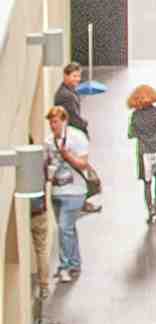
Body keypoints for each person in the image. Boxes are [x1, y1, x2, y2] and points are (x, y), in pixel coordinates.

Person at [44, 105, 90, 282]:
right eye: (50, 123)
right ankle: (75, 263)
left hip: (75, 190)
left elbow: (83, 164)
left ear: (64, 121)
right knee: (68, 229)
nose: (52, 126)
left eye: (55, 122)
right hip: (57, 190)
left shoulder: (77, 137)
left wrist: (67, 155)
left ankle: (65, 266)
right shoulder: (48, 142)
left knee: (64, 228)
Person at [126, 84, 156, 224]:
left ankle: (150, 210)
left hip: (144, 153)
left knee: (147, 183)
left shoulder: (135, 115)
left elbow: (130, 134)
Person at [55, 61, 90, 137]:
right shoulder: (67, 96)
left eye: (79, 76)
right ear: (65, 76)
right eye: (74, 76)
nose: (78, 79)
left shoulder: (69, 90)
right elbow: (73, 119)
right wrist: (85, 124)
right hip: (71, 135)